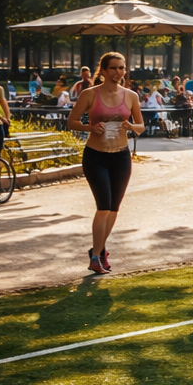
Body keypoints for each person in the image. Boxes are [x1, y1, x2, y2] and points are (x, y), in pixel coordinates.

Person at [67, 53, 144, 274]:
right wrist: (90, 128)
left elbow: (141, 126)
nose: (118, 72)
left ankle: (99, 250)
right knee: (103, 207)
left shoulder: (130, 96)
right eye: (113, 68)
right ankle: (95, 257)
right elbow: (71, 121)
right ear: (103, 70)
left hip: (121, 157)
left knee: (113, 209)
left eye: (121, 68)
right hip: (96, 155)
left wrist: (131, 127)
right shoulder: (90, 94)